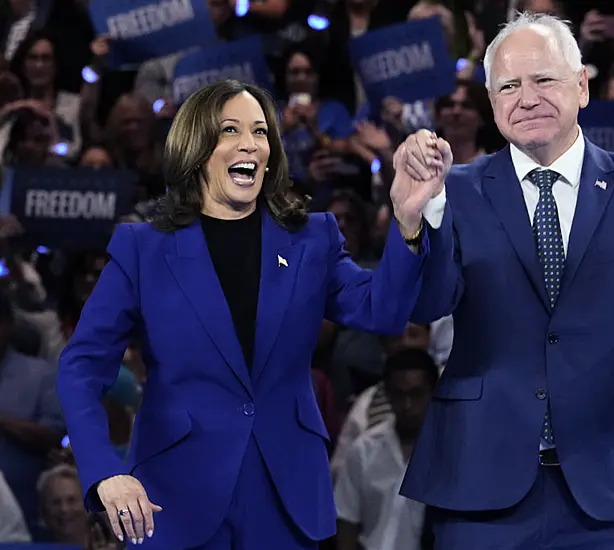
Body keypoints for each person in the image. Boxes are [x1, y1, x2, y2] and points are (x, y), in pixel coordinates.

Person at [395, 13, 614, 550]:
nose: (527, 97)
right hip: (483, 483)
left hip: (613, 485)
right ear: (492, 102)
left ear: (582, 86)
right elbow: (427, 305)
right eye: (509, 86)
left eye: (544, 79)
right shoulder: (458, 190)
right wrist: (411, 222)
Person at [56, 79, 444, 550]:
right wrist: (104, 472)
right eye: (231, 131)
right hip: (176, 499)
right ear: (196, 149)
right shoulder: (144, 248)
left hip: (286, 499)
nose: (250, 144)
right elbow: (81, 367)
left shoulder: (311, 239)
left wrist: (407, 222)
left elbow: (382, 310)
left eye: (260, 132)